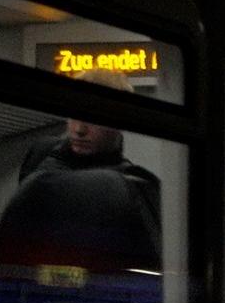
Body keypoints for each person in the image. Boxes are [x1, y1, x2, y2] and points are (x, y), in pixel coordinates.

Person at [16, 67, 161, 225]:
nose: (79, 130)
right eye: (74, 115)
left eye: (92, 118)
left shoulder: (136, 186)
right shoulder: (41, 153)